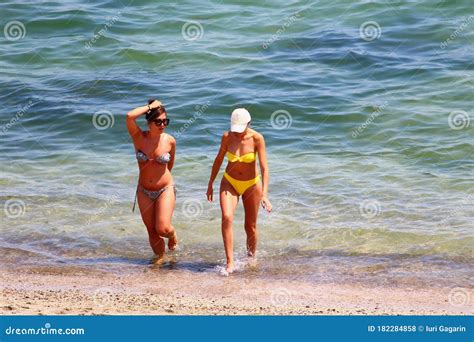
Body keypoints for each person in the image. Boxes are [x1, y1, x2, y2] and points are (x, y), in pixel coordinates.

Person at [207, 108, 272, 273]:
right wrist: (211, 183)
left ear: (248, 124)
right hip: (230, 182)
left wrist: (265, 194)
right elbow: (218, 159)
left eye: (240, 129)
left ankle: (251, 257)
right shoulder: (227, 137)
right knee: (227, 217)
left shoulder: (257, 139)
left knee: (250, 226)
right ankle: (230, 262)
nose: (237, 133)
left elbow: (264, 168)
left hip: (252, 184)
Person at [126, 99, 178, 263]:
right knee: (151, 230)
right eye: (158, 121)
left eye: (165, 121)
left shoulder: (170, 141)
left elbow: (170, 164)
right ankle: (160, 259)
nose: (162, 124)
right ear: (149, 122)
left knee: (162, 228)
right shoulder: (139, 137)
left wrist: (161, 180)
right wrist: (150, 106)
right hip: (143, 191)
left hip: (165, 189)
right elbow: (129, 116)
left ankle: (173, 235)